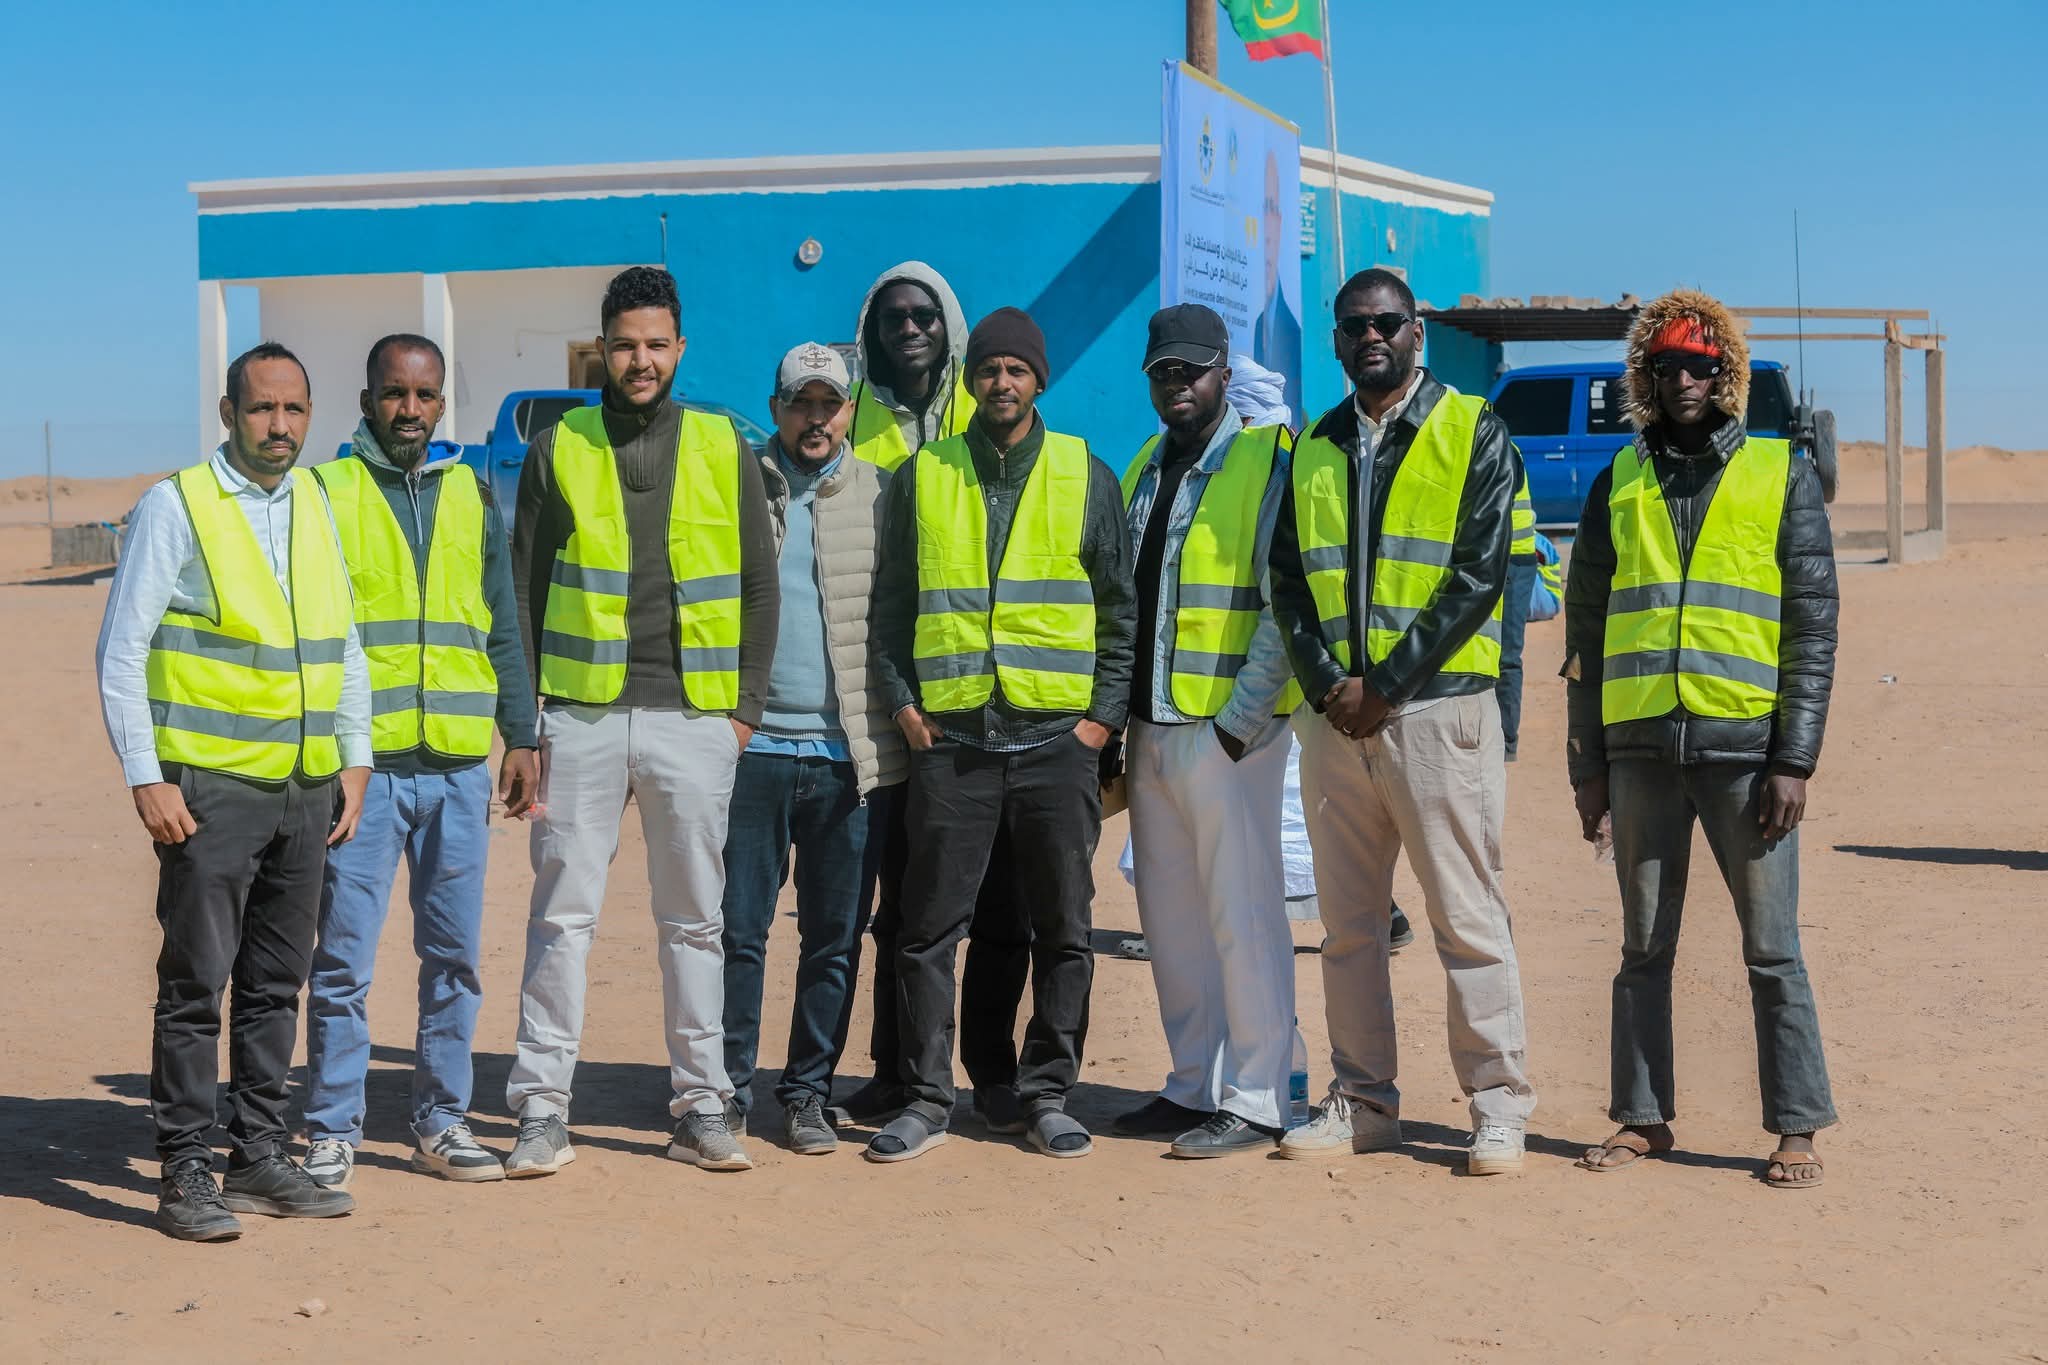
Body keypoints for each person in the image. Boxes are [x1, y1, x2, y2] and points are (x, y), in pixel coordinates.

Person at [505, 266, 779, 1175]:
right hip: (580, 720)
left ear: (680, 348)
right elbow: (522, 591)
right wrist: (525, 725)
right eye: (624, 345)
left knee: (695, 922)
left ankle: (702, 1105)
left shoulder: (723, 444)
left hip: (695, 721)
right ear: (601, 350)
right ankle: (541, 1109)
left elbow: (760, 583)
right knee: (562, 919)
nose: (640, 360)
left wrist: (742, 713)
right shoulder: (558, 446)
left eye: (656, 344)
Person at [96, 341, 370, 1239]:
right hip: (210, 792)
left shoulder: (316, 501)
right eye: (261, 408)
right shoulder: (178, 505)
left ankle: (257, 1155)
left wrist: (355, 757)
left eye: (294, 409)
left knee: (274, 984)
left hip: (306, 788)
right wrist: (145, 775)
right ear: (228, 413)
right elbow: (122, 650)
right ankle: (185, 1168)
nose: (279, 425)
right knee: (195, 982)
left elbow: (344, 639)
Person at [1567, 290, 1838, 1188]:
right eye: (1666, 366)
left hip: (1745, 757)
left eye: (1699, 364)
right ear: (1645, 377)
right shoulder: (1619, 481)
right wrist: (1588, 767)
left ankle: (1796, 1125)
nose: (1683, 379)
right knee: (1642, 949)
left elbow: (1810, 627)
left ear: (1726, 374)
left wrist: (1793, 757)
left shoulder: (1780, 473)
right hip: (1641, 755)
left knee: (1772, 949)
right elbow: (1586, 633)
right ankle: (1643, 1116)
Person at [1268, 268, 1537, 1175]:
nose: (1371, 336)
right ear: (1337, 342)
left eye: (1386, 321)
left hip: (1437, 714)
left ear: (1416, 330)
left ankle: (1497, 1105)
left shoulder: (1474, 430)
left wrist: (1382, 685)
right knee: (1349, 930)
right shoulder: (1314, 445)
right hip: (1336, 725)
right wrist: (1326, 684)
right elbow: (1288, 581)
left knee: (1466, 918)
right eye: (1354, 326)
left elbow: (1478, 576)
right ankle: (1363, 1100)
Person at [867, 307, 1136, 1162]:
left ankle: (1045, 1091)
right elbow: (890, 606)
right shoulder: (924, 475)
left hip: (1057, 741)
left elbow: (1120, 609)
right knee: (926, 932)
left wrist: (1099, 720)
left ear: (1039, 380)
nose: (1002, 382)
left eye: (1017, 369)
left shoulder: (1085, 474)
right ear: (971, 379)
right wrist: (904, 705)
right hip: (954, 743)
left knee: (1062, 930)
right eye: (988, 369)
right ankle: (926, 1096)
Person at [300, 334, 539, 1191]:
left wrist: (521, 733)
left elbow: (502, 620)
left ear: (443, 403)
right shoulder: (325, 493)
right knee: (342, 963)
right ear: (367, 400)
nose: (410, 409)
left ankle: (442, 1121)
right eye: (395, 394)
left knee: (455, 959)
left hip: (458, 769)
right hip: (362, 772)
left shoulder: (472, 492)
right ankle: (332, 1129)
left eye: (425, 395)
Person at [834, 263, 1032, 1132]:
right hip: (890, 700)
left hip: (989, 703)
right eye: (892, 317)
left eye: (924, 314)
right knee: (904, 905)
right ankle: (897, 1069)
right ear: (871, 330)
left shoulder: (983, 411)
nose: (909, 328)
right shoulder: (853, 419)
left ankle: (992, 1069)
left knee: (999, 902)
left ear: (949, 325)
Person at [1110, 304, 1299, 1158]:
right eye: (1163, 372)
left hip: (1228, 736)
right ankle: (1192, 1081)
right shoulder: (1145, 465)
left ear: (1225, 370)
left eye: (1191, 369)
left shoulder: (1266, 459)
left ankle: (1258, 1096)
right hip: (1152, 727)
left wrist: (1238, 723)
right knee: (1174, 922)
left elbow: (1286, 603)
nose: (1177, 384)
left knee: (1244, 917)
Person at [719, 343, 905, 1156]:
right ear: (777, 408)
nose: (816, 418)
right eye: (802, 403)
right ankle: (725, 1090)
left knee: (833, 939)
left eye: (830, 404)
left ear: (850, 411)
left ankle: (806, 1093)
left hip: (848, 757)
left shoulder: (883, 494)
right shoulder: (737, 485)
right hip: (750, 749)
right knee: (737, 930)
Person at [1495, 470, 1540, 760]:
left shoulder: (1499, 450)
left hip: (1512, 559)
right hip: (1502, 558)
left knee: (1507, 656)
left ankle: (1505, 741)